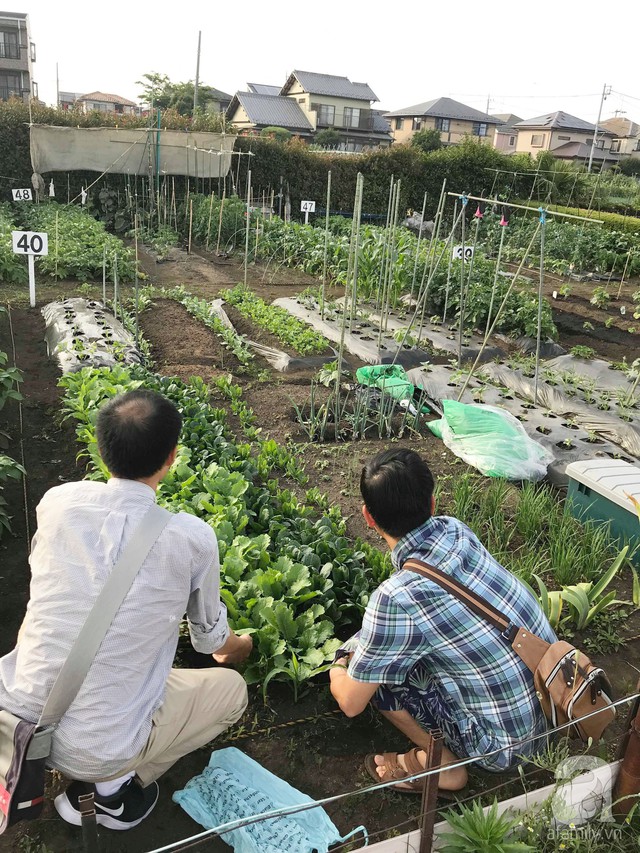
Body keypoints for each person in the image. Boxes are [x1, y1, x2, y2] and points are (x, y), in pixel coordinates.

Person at [0, 389, 252, 829]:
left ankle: (93, 777)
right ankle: (112, 794)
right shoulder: (191, 538)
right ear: (172, 457)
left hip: (15, 719)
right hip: (97, 749)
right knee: (231, 691)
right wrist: (243, 646)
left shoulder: (57, 503)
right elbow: (212, 642)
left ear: (101, 450)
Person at [329, 448, 556, 793]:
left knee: (370, 668)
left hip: (503, 749)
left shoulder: (395, 598)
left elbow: (350, 703)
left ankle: (444, 765)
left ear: (368, 518)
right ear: (432, 505)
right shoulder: (456, 531)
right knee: (387, 647)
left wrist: (337, 665)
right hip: (555, 706)